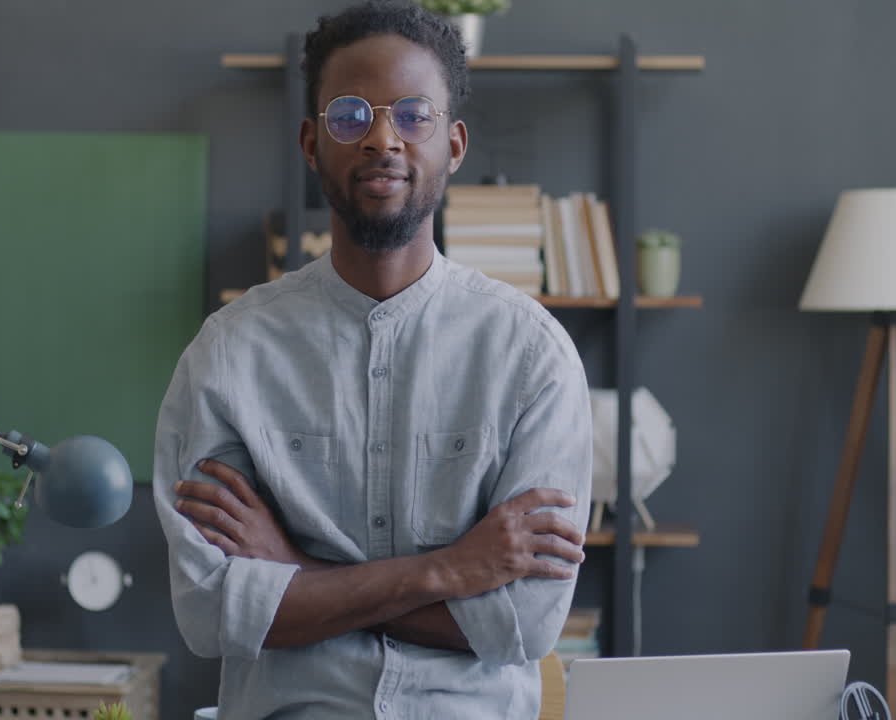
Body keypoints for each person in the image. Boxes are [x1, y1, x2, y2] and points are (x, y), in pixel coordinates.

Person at [152, 1, 592, 717]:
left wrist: (297, 578)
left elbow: (522, 625)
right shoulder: (231, 354)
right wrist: (450, 570)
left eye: (412, 115)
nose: (383, 139)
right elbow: (212, 612)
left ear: (452, 146)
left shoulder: (530, 356)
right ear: (309, 141)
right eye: (351, 116)